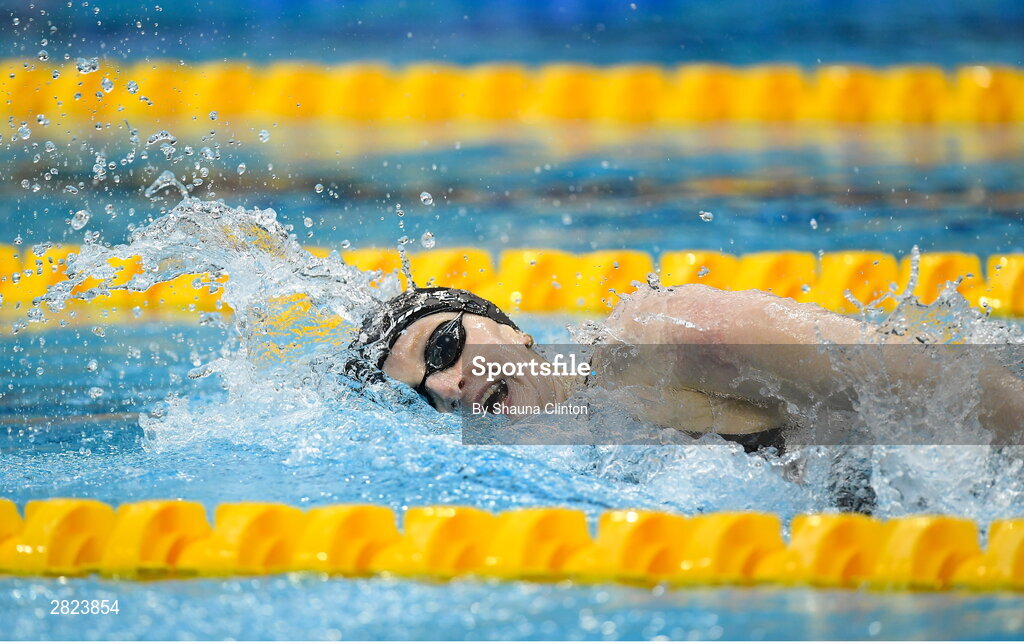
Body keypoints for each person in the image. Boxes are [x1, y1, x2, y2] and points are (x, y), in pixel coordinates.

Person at [353, 284, 1024, 453]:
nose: (447, 385)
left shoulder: (671, 339)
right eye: (426, 395)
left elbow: (947, 389)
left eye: (441, 349)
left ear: (511, 330)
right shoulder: (586, 429)